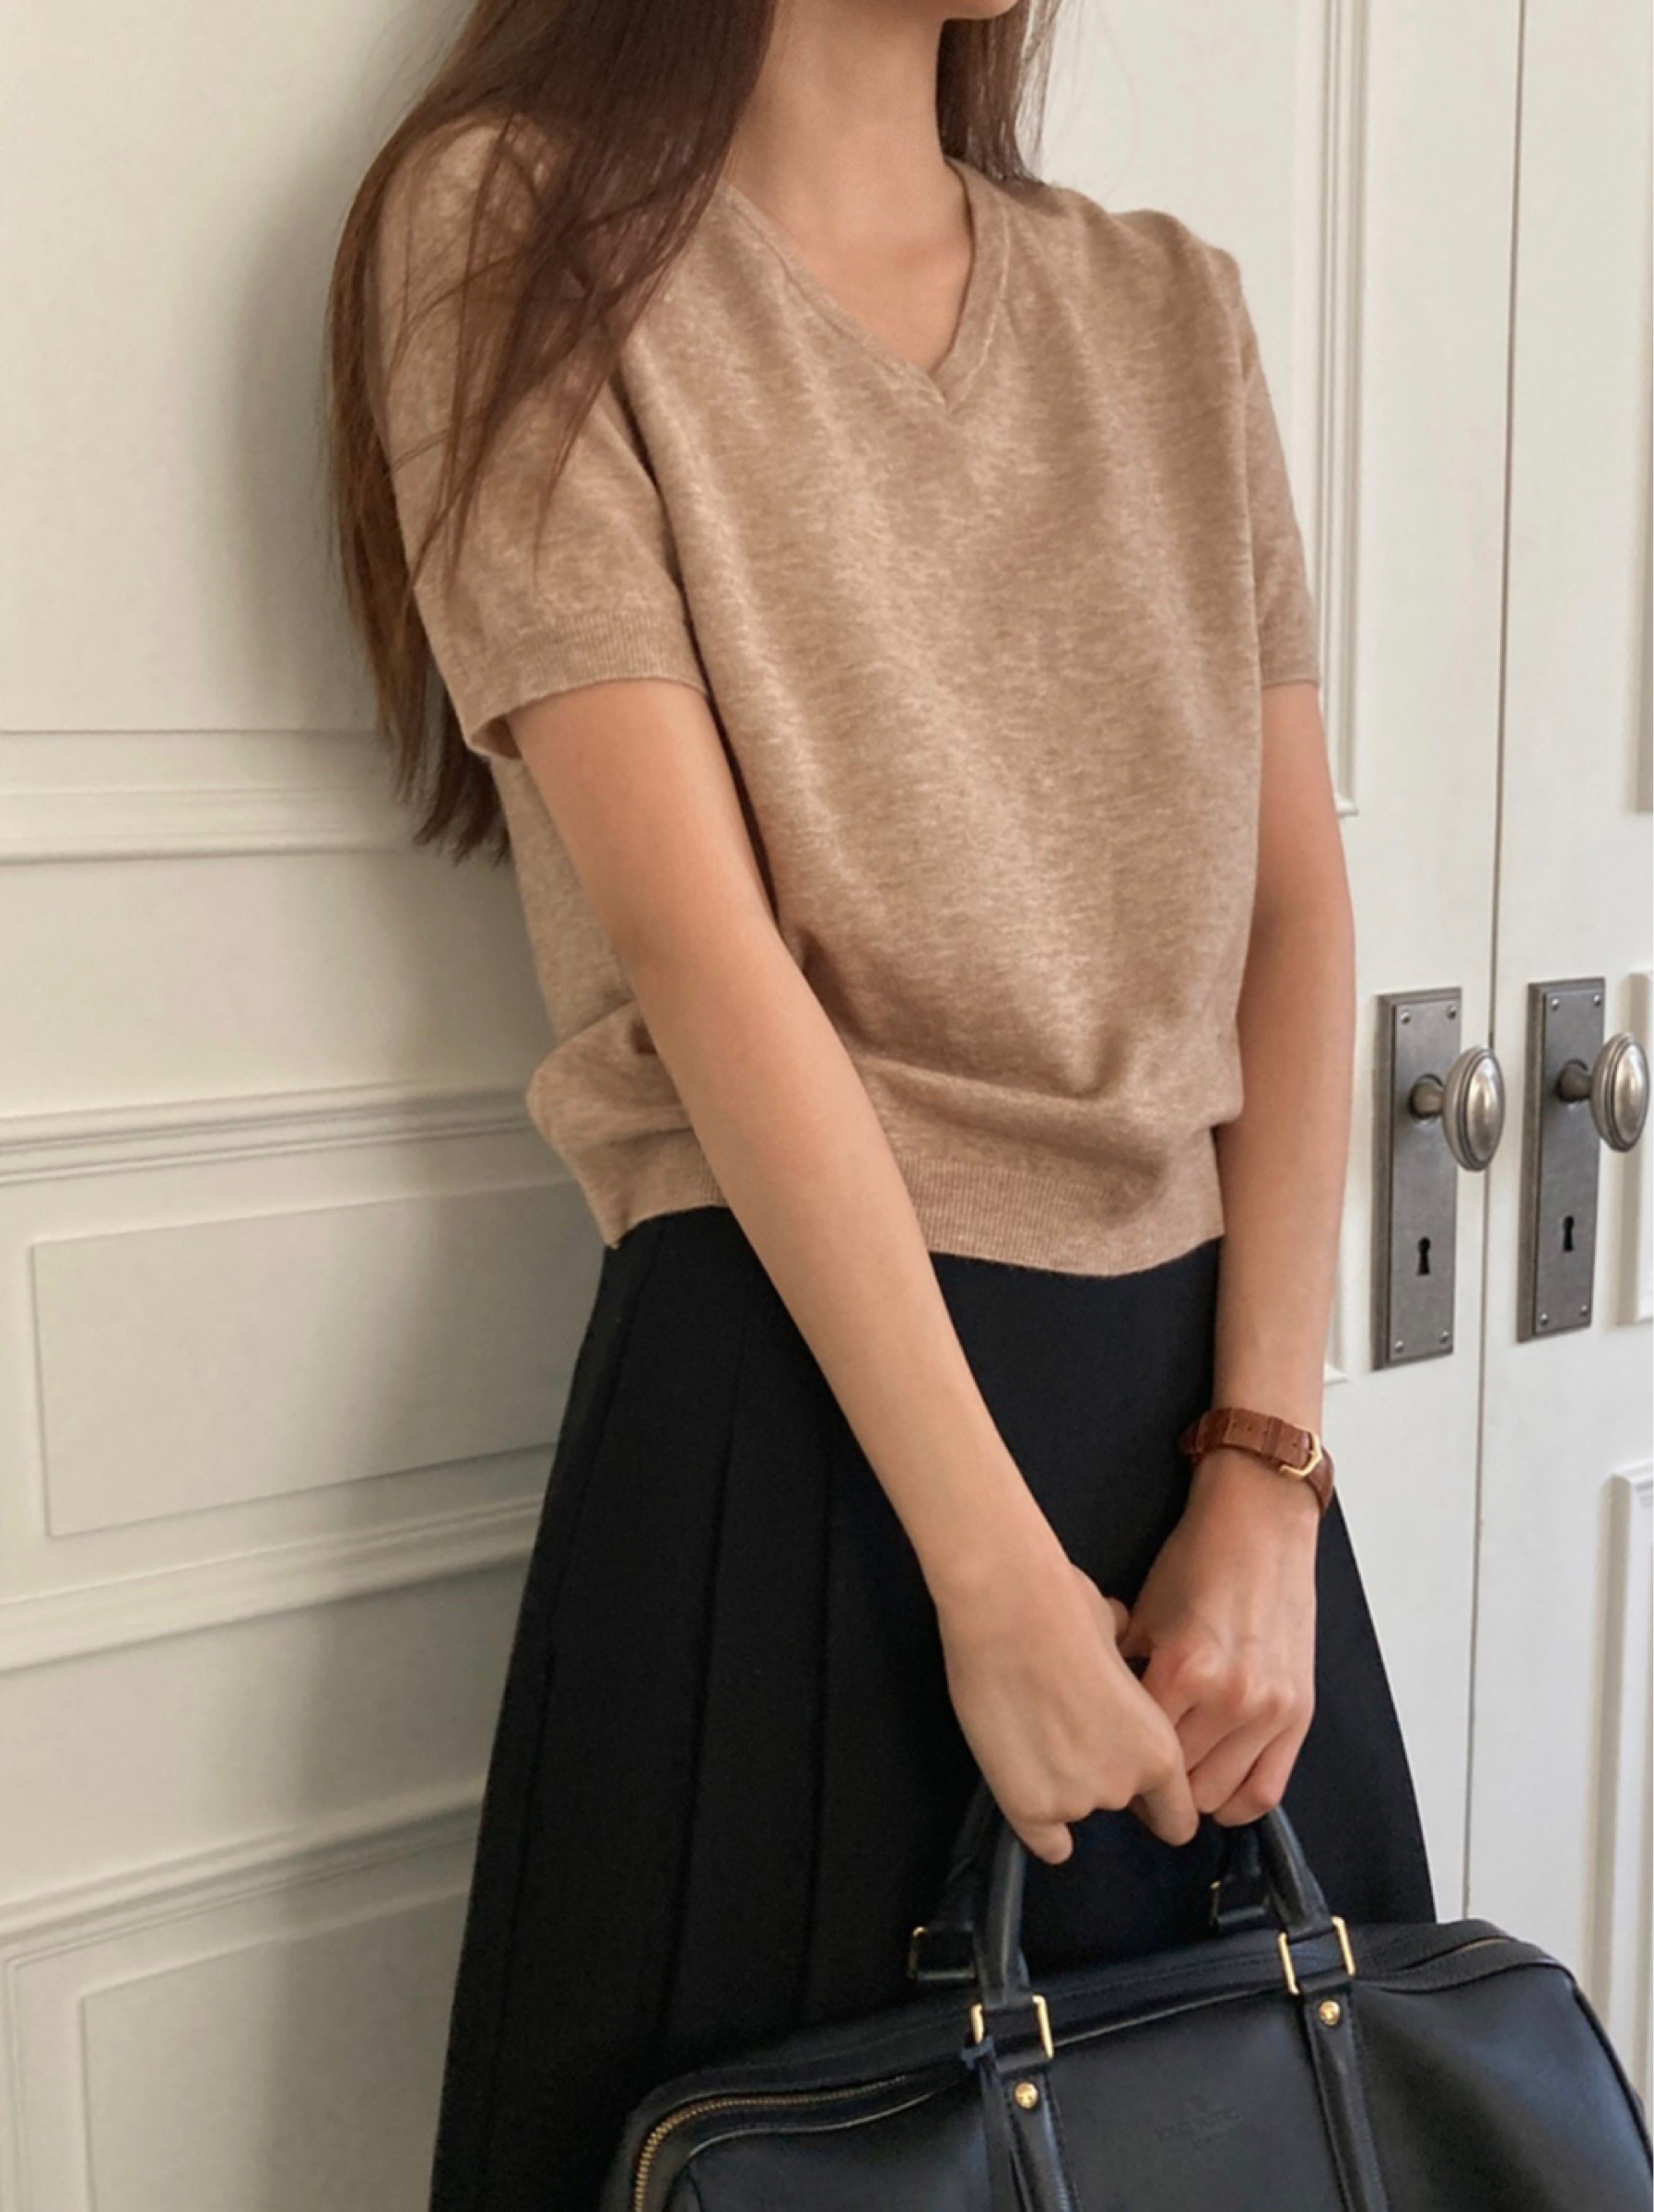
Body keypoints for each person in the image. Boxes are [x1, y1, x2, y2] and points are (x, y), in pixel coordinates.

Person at [325, 0, 1437, 2204]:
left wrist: (1266, 1479)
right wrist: (988, 1575)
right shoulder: (518, 234)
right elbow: (699, 950)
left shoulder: (1168, 308)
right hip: (800, 1418)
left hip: (1194, 1436)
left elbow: (1293, 912)